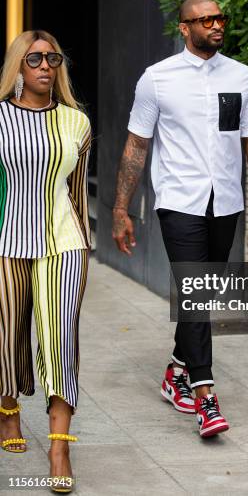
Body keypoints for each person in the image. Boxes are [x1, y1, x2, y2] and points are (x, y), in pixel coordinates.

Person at [112, 0, 248, 438]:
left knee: (201, 294)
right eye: (205, 19)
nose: (216, 25)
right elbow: (136, 146)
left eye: (220, 17)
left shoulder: (241, 76)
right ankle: (206, 396)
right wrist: (120, 209)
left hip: (226, 201)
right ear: (184, 29)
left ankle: (176, 372)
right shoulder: (158, 79)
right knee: (196, 291)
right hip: (179, 201)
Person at [0, 30, 91, 493]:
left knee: (60, 338)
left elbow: (77, 198)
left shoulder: (77, 122)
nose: (44, 65)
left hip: (62, 243)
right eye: (34, 58)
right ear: (17, 65)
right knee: (7, 333)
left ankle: (60, 445)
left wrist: (86, 250)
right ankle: (8, 410)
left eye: (52, 57)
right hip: (5, 242)